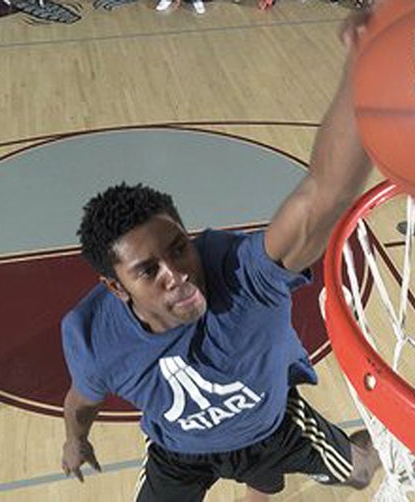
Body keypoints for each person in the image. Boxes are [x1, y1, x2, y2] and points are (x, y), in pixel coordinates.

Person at [59, 9, 380, 502]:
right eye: (148, 271)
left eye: (179, 248)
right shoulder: (94, 337)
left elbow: (326, 194)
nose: (177, 274)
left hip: (274, 428)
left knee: (359, 473)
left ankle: (385, 445)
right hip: (179, 454)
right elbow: (81, 402)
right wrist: (75, 441)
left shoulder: (245, 275)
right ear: (116, 288)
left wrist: (369, 63)